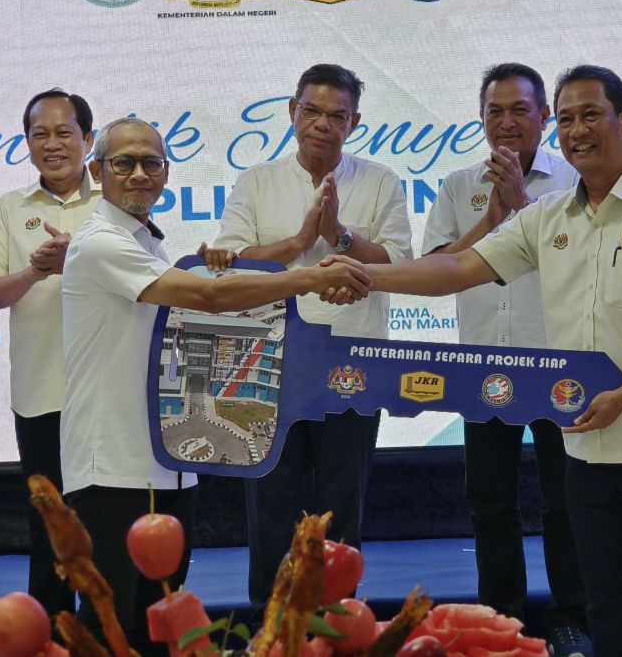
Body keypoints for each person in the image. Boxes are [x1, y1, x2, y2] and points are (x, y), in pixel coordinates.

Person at [333, 65, 622, 656]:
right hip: (584, 445)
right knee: (607, 602)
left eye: (589, 115)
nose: (576, 131)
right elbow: (454, 270)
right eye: (568, 118)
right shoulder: (546, 217)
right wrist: (362, 273)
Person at [61, 117, 369, 650]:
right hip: (112, 465)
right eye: (124, 163)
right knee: (113, 629)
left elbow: (209, 315)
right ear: (96, 170)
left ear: (166, 171)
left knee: (161, 623)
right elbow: (206, 299)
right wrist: (314, 276)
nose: (139, 174)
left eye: (151, 163)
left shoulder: (150, 244)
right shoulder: (100, 243)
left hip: (168, 460)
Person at [204, 63, 412, 605]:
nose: (322, 124)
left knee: (343, 501)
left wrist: (339, 235)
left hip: (353, 363)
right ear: (291, 112)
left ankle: (340, 620)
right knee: (269, 501)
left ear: (355, 121)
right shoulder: (256, 181)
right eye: (311, 111)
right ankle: (273, 625)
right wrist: (300, 239)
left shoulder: (381, 181)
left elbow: (398, 264)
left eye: (336, 115)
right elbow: (232, 264)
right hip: (268, 363)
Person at [421, 62, 589, 656]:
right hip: (481, 366)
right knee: (489, 499)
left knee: (565, 498)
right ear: (482, 117)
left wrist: (520, 204)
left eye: (521, 109)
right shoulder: (456, 183)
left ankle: (572, 616)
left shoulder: (579, 183)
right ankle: (501, 616)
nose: (507, 121)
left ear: (545, 117)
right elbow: (438, 267)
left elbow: (582, 270)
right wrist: (491, 220)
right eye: (495, 110)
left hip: (558, 364)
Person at [0, 89, 100, 617]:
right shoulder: (11, 207)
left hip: (107, 390)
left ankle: (108, 633)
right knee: (50, 523)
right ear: (25, 142)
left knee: (104, 521)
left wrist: (81, 261)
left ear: (88, 140)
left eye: (64, 133)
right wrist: (36, 271)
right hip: (40, 392)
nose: (52, 144)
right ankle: (50, 635)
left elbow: (149, 282)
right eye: (39, 134)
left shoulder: (117, 199)